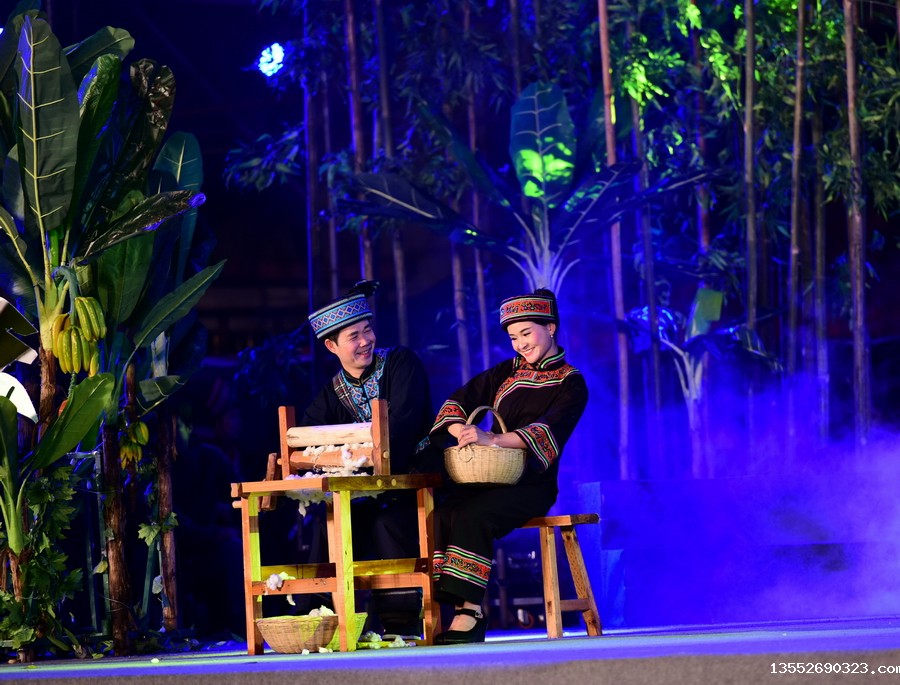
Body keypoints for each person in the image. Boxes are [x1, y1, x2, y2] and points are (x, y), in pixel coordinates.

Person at [428, 288, 588, 644]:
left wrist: (492, 439)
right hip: (490, 477)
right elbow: (456, 403)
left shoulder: (571, 382)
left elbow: (545, 432)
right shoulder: (506, 371)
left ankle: (470, 613)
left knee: (473, 515)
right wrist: (462, 431)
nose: (520, 344)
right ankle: (460, 608)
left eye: (526, 333)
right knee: (443, 512)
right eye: (514, 337)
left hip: (532, 484)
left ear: (550, 327)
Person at [300, 281, 439, 636]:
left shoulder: (401, 362)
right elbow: (307, 436)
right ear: (331, 346)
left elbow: (406, 421)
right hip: (370, 488)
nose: (365, 341)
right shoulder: (333, 392)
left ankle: (402, 624)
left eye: (367, 330)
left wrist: (365, 458)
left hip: (413, 478)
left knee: (386, 520)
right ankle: (323, 619)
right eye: (354, 336)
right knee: (329, 519)